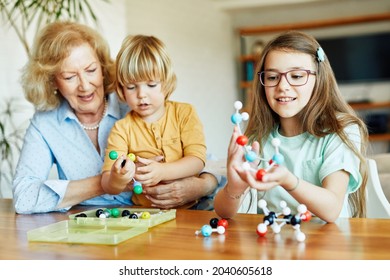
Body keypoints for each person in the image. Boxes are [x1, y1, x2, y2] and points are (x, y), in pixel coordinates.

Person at [13, 22, 218, 214]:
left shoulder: (135, 102)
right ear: (52, 81)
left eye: (91, 70)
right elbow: (24, 198)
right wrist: (110, 181)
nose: (84, 85)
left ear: (103, 68)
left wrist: (200, 186)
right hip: (98, 225)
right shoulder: (45, 124)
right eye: (69, 77)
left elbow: (206, 162)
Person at [214, 30, 369, 223]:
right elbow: (223, 212)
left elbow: (332, 209)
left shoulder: (341, 130)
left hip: (328, 246)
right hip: (274, 246)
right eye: (272, 77)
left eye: (296, 76)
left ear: (319, 79)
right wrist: (234, 189)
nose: (283, 86)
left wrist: (288, 180)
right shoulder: (257, 138)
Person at [101, 35, 207, 208]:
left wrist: (162, 171)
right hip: (145, 214)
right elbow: (107, 183)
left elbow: (197, 160)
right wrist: (118, 177)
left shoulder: (184, 113)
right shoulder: (121, 129)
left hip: (191, 208)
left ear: (166, 83)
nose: (142, 94)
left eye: (151, 85)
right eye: (131, 87)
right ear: (121, 89)